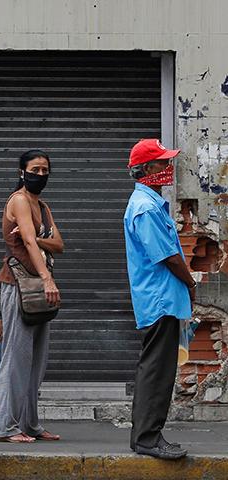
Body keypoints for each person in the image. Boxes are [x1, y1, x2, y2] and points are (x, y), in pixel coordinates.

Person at [125, 139, 191, 460]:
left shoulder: (149, 203)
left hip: (161, 298)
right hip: (160, 299)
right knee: (157, 369)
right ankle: (148, 438)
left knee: (156, 368)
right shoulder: (146, 207)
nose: (168, 169)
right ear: (148, 169)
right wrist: (190, 282)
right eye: (163, 164)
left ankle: (146, 436)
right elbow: (168, 256)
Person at [0, 149, 64, 444]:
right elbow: (28, 245)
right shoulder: (20, 200)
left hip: (38, 286)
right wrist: (47, 277)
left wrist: (36, 238)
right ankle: (5, 426)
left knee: (36, 359)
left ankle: (30, 423)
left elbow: (58, 244)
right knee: (16, 357)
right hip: (20, 285)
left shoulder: (42, 206)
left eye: (45, 170)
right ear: (22, 172)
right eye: (35, 169)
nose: (40, 175)